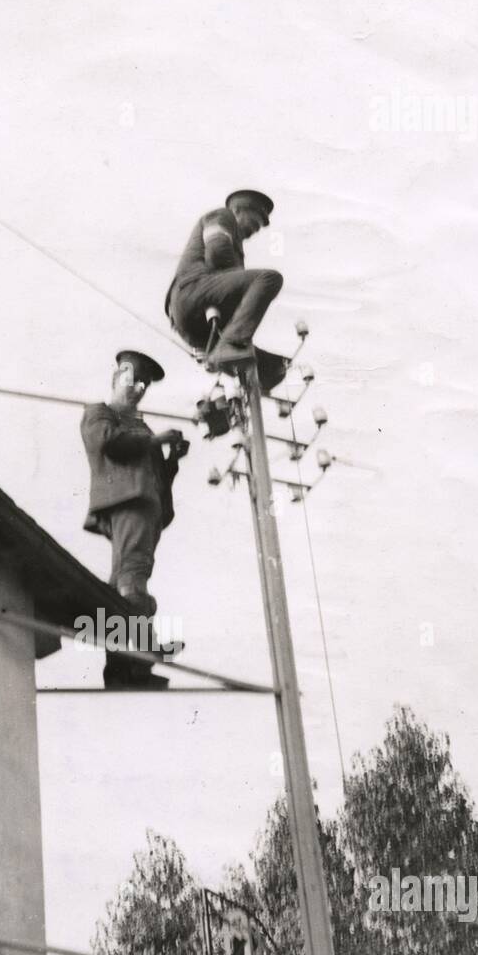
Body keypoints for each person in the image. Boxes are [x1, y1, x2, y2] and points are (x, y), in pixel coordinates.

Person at [81, 351, 187, 689]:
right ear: (120, 373)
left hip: (146, 505)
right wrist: (155, 441)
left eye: (145, 385)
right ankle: (142, 655)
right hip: (129, 501)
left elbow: (154, 474)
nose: (139, 388)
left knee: (122, 581)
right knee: (133, 575)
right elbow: (111, 445)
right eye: (135, 379)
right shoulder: (100, 413)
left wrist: (170, 460)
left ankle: (120, 666)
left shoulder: (140, 428)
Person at [164, 189, 288, 393]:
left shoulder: (235, 240)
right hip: (193, 294)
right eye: (254, 223)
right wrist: (243, 286)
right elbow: (217, 252)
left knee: (270, 367)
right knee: (269, 278)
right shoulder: (222, 216)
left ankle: (257, 381)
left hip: (197, 325)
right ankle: (229, 346)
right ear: (239, 211)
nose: (254, 230)